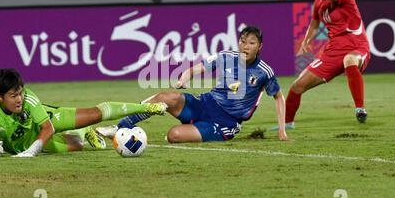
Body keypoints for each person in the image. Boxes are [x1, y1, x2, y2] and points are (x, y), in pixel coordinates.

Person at [96, 26, 288, 143]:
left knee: (174, 136)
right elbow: (199, 67)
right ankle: (119, 128)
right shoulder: (226, 57)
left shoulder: (264, 71)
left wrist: (282, 130)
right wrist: (185, 77)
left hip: (225, 123)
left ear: (260, 46)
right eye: (243, 41)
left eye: (251, 43)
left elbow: (279, 98)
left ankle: (190, 131)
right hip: (205, 103)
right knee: (165, 97)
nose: (245, 46)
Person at [0, 68, 167, 158]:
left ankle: (147, 107)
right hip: (28, 144)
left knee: (95, 113)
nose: (19, 99)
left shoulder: (28, 99)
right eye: (13, 95)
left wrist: (32, 151)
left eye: (20, 93)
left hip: (48, 122)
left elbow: (47, 127)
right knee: (77, 145)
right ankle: (85, 132)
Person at [283, 0, 370, 128]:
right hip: (332, 51)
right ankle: (287, 124)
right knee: (297, 86)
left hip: (356, 45)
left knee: (350, 59)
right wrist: (307, 40)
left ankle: (359, 108)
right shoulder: (318, 2)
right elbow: (315, 22)